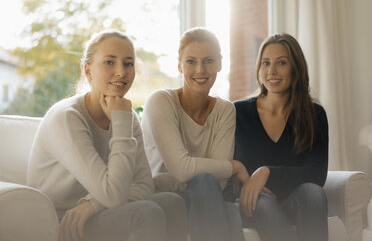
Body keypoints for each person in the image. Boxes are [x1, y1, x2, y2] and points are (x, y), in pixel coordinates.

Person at [27, 29, 187, 241]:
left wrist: (93, 203)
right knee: (147, 213)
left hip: (98, 211)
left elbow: (143, 186)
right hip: (65, 222)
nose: (121, 72)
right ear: (88, 70)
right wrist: (120, 121)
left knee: (172, 201)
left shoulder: (126, 115)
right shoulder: (67, 117)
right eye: (110, 62)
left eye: (128, 63)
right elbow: (113, 194)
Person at [141, 27, 249, 241]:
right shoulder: (160, 101)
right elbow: (182, 171)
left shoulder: (225, 110)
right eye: (191, 61)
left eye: (208, 61)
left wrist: (205, 172)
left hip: (206, 196)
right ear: (179, 65)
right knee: (220, 201)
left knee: (222, 201)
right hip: (162, 197)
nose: (200, 69)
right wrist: (233, 166)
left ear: (219, 64)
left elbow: (217, 182)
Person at [233, 33, 329, 241]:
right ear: (259, 68)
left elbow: (317, 173)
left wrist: (266, 172)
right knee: (263, 201)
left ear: (296, 68)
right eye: (265, 63)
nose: (272, 71)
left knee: (313, 193)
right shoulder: (237, 112)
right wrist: (252, 181)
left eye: (281, 63)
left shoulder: (315, 114)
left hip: (292, 202)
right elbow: (229, 164)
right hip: (252, 204)